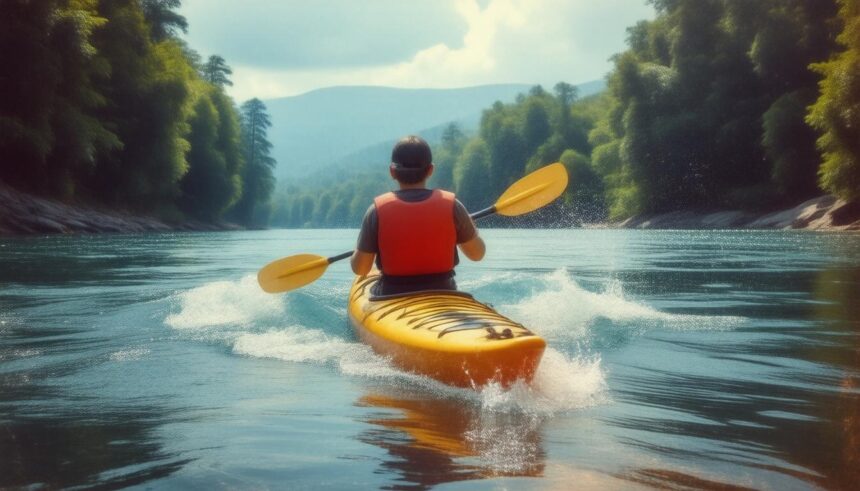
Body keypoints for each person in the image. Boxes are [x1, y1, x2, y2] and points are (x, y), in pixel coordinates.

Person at [351, 135, 486, 295]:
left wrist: (360, 248)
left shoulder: (376, 211)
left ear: (392, 172)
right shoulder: (453, 206)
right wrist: (465, 223)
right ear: (430, 170)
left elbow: (361, 268)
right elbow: (478, 254)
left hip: (392, 293)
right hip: (444, 291)